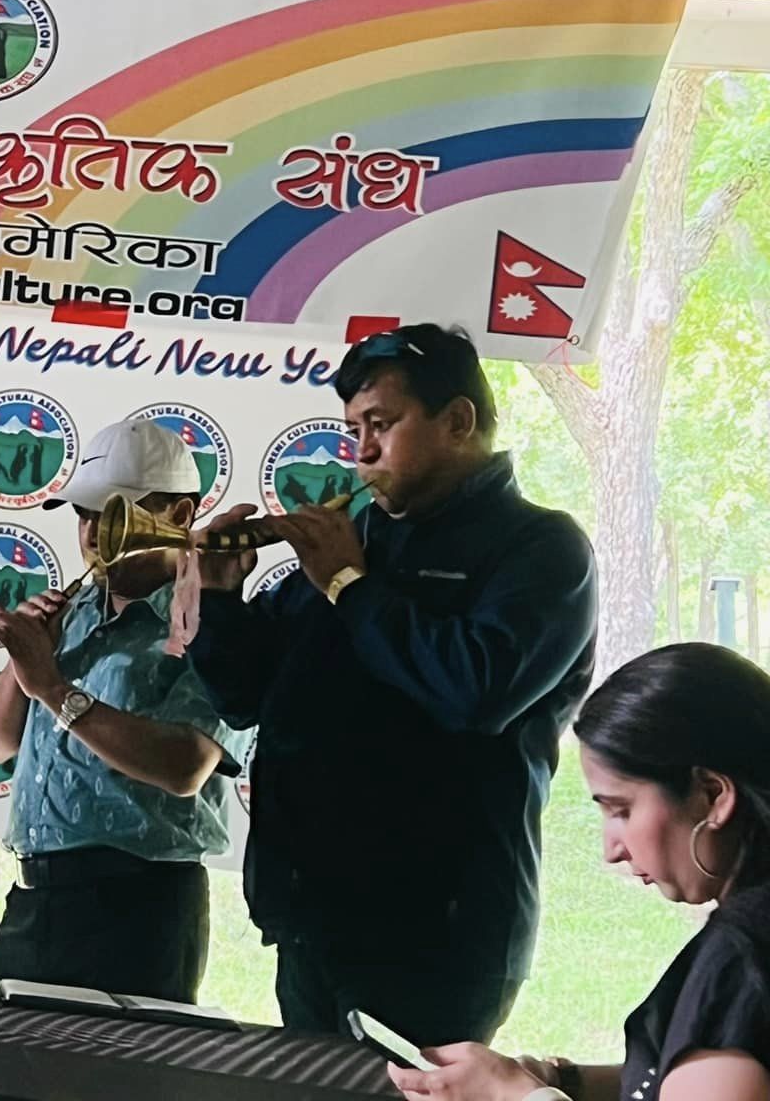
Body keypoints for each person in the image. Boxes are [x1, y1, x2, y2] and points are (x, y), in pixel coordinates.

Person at [183, 324, 597, 1043]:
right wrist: (219, 600)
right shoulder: (356, 539)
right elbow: (245, 697)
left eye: (382, 424)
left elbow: (476, 692)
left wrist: (350, 584)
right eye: (354, 430)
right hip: (310, 918)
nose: (362, 451)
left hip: (438, 934)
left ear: (458, 421)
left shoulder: (542, 547)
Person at [0, 418, 243, 1064]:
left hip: (141, 907)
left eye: (113, 512)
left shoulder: (208, 621)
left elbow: (185, 766)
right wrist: (25, 661)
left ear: (179, 515)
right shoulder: (72, 615)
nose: (92, 532)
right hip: (36, 898)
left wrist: (53, 686)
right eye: (83, 513)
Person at [389, 642, 770, 1101]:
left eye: (622, 810)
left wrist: (514, 1096)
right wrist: (561, 1081)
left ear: (713, 796)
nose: (612, 850)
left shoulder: (740, 969)